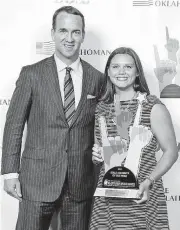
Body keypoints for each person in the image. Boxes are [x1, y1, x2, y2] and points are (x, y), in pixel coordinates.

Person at [1, 6, 104, 230]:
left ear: (83, 35)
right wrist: (10, 172)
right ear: (53, 33)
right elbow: (14, 125)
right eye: (63, 31)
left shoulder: (97, 79)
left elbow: (104, 125)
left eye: (76, 32)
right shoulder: (31, 74)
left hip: (80, 182)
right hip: (36, 180)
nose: (69, 38)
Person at [89, 47, 178, 229]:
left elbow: (171, 151)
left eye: (128, 67)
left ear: (137, 72)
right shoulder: (101, 109)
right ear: (108, 71)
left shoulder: (152, 106)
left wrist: (149, 181)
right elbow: (101, 154)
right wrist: (96, 156)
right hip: (107, 199)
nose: (121, 72)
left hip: (141, 196)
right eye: (115, 67)